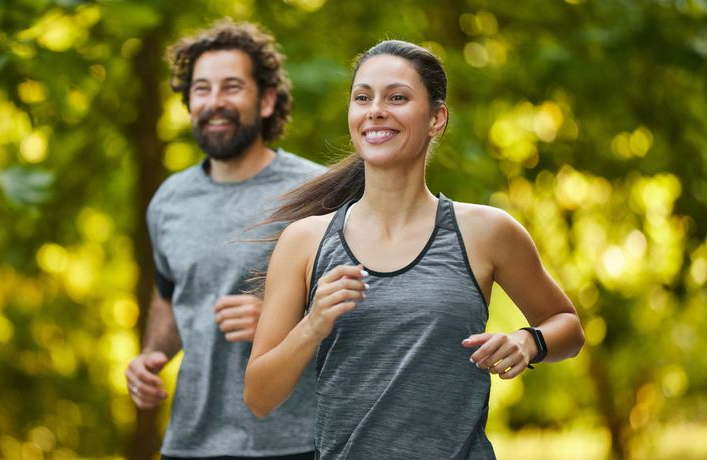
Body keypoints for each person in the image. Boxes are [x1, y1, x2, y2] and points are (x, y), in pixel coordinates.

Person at [244, 40, 586, 459]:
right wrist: (313, 324)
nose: (376, 110)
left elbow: (567, 324)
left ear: (436, 119)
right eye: (362, 97)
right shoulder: (305, 241)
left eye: (398, 98)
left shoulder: (486, 231)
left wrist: (529, 342)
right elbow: (259, 396)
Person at [125, 20, 324, 460]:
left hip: (296, 445)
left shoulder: (319, 193)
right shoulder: (169, 201)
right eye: (201, 89)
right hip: (191, 442)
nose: (215, 102)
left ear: (267, 100)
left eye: (231, 87)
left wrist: (281, 321)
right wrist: (150, 357)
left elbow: (375, 310)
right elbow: (171, 298)